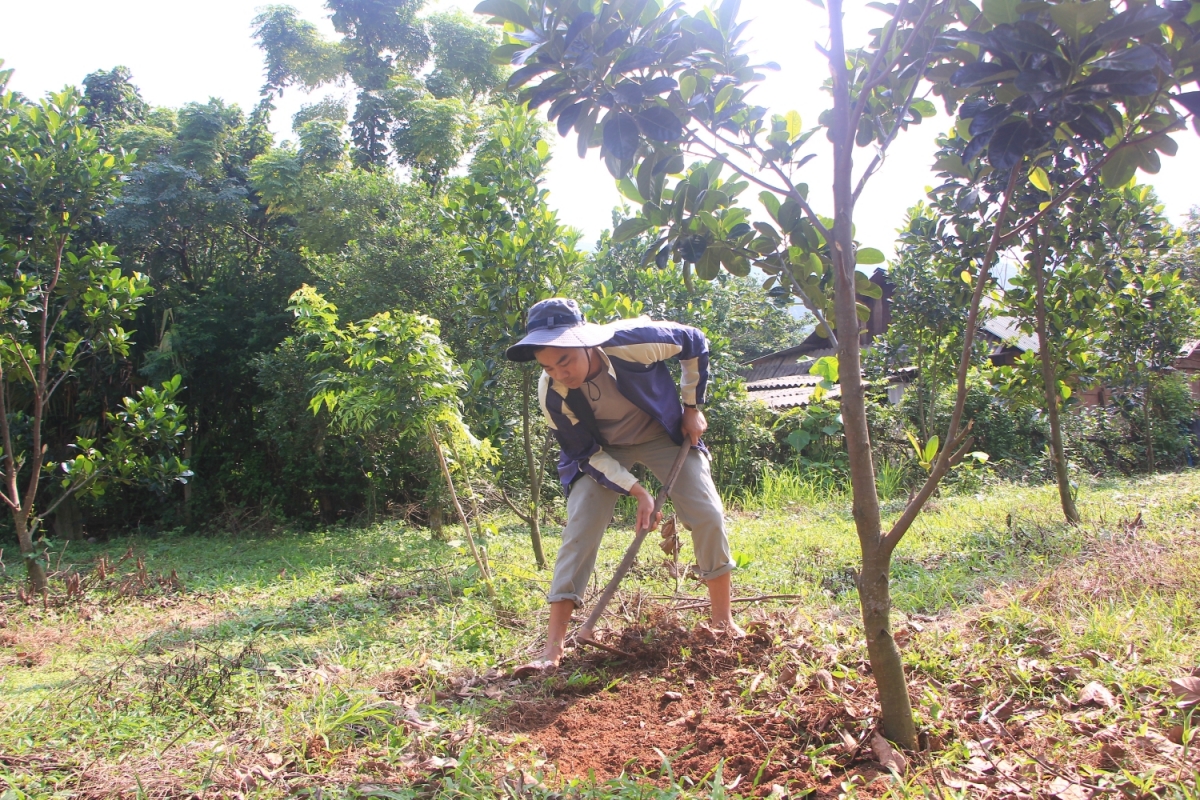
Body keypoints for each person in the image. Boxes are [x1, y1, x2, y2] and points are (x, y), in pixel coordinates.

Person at [505, 298, 744, 677]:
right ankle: (552, 650)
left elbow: (694, 341)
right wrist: (637, 490)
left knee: (707, 513)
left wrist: (692, 405)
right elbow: (585, 452)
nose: (560, 373)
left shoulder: (633, 341)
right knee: (580, 530)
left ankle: (722, 623)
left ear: (586, 343)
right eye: (548, 366)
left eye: (565, 361)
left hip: (662, 434)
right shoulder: (551, 393)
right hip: (603, 451)